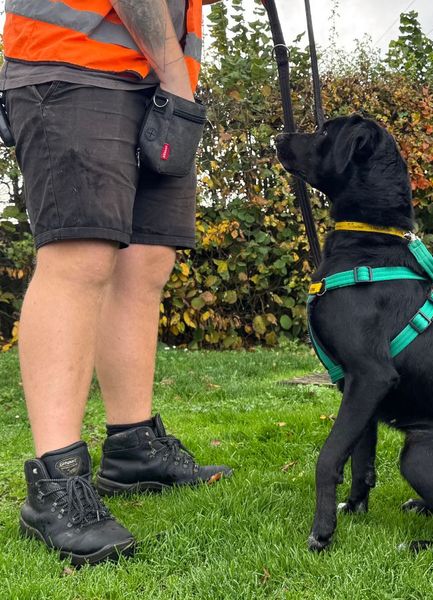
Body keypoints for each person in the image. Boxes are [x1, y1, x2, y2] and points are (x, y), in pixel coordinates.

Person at [1, 0, 230, 566]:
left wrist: (172, 75)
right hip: (75, 69)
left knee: (146, 260)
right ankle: (57, 481)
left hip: (153, 80)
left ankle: (133, 449)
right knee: (80, 256)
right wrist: (175, 71)